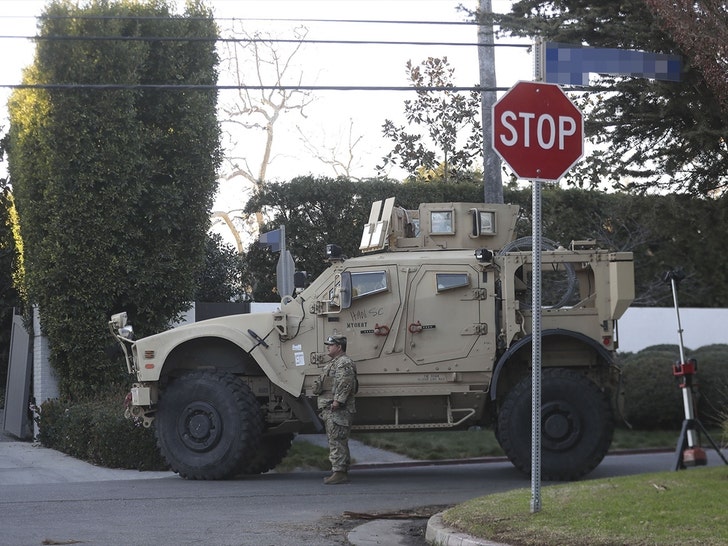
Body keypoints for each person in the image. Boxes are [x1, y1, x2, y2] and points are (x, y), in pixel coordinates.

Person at [315, 335, 357, 485]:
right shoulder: (335, 362)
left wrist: (337, 402)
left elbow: (346, 383)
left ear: (339, 347)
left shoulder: (344, 362)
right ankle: (339, 470)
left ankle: (339, 472)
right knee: (336, 439)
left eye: (331, 345)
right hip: (332, 407)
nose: (328, 347)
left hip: (338, 409)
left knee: (337, 440)